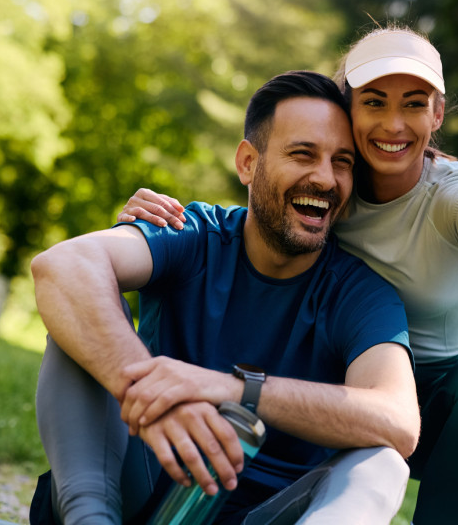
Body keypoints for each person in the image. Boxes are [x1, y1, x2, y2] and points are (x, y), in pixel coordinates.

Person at [117, 26, 458, 524]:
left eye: (414, 105)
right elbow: (264, 213)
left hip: (427, 396)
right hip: (328, 372)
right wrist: (152, 221)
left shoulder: (450, 193)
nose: (393, 124)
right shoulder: (330, 176)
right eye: (374, 102)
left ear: (437, 114)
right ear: (347, 106)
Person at [30, 70, 420, 525]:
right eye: (303, 154)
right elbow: (61, 267)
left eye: (342, 162)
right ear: (248, 163)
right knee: (86, 315)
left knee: (384, 462)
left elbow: (398, 420)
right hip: (135, 496)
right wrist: (147, 392)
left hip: (264, 515)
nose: (325, 178)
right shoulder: (189, 231)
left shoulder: (362, 294)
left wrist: (232, 389)